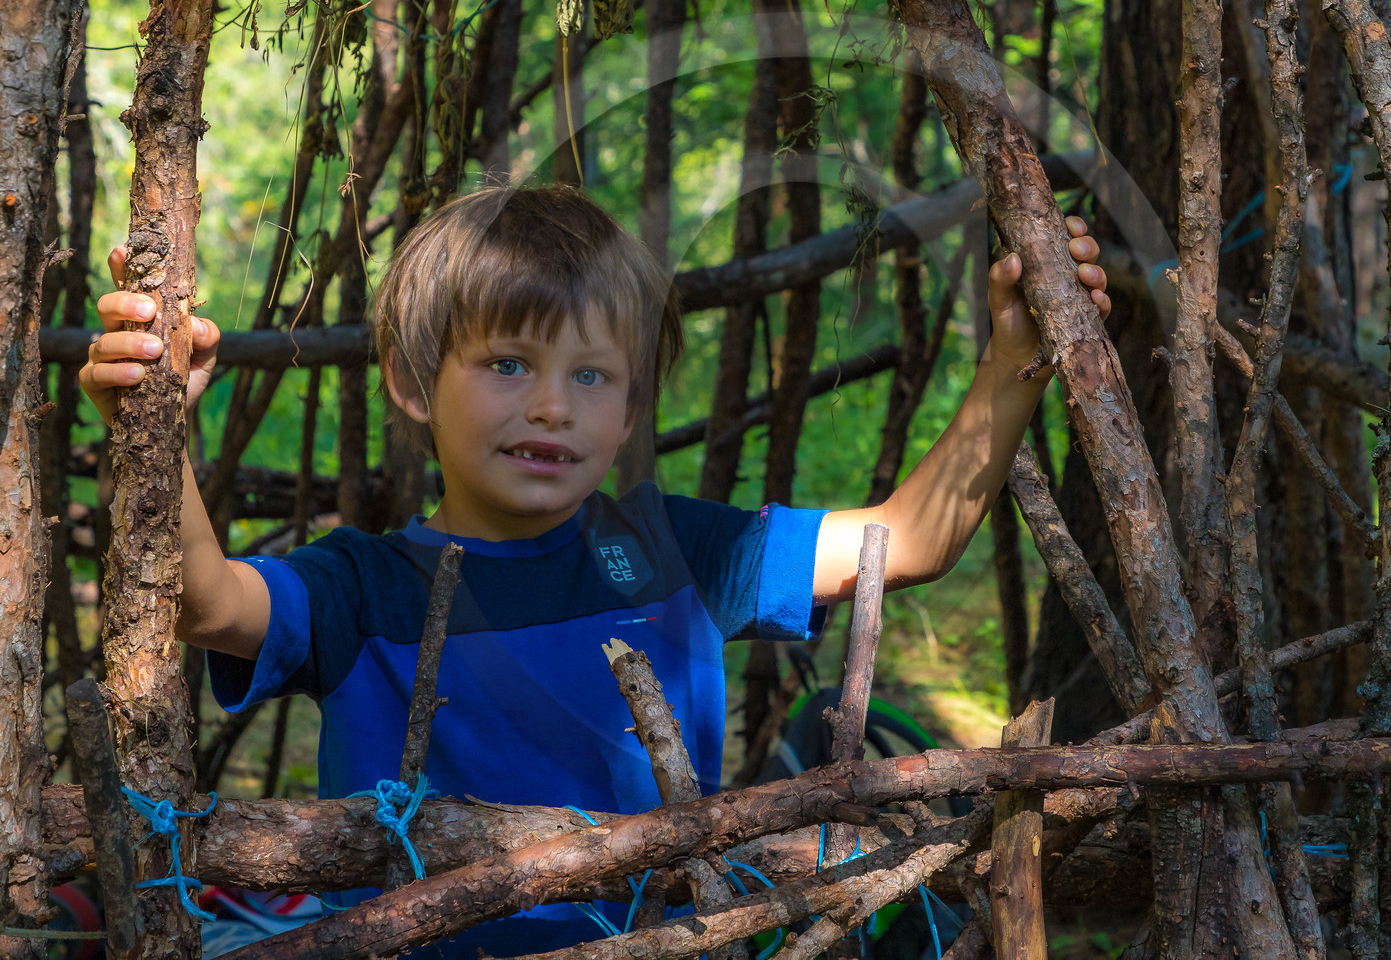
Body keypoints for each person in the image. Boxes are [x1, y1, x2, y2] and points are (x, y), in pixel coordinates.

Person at [80, 185, 1109, 958]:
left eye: (591, 375)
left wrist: (1016, 348)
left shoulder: (679, 554)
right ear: (409, 379)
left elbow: (911, 539)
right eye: (508, 364)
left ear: (627, 410)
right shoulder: (366, 586)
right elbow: (204, 599)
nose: (552, 408)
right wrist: (151, 428)